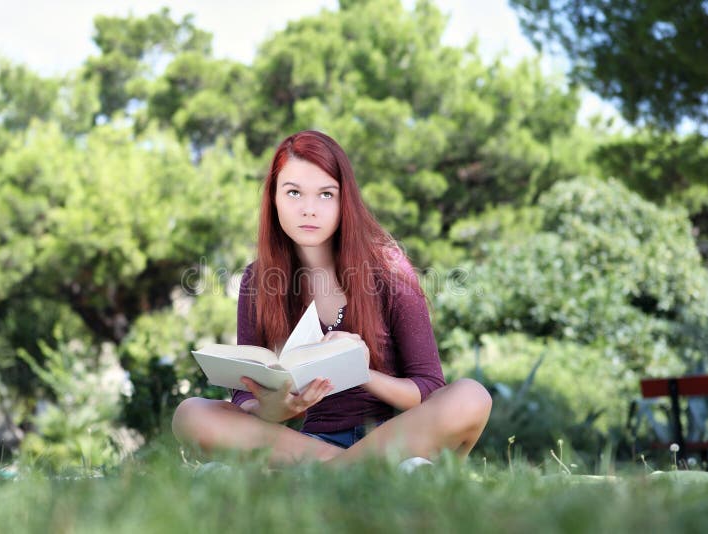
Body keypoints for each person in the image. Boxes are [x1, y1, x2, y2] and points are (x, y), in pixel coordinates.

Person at [172, 130, 491, 465]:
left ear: (344, 202)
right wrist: (275, 408)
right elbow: (242, 400)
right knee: (191, 413)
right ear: (274, 199)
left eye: (326, 195)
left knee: (471, 396)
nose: (309, 210)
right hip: (307, 445)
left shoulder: (389, 269)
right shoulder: (258, 280)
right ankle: (356, 472)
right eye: (294, 192)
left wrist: (360, 370)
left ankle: (328, 475)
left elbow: (428, 389)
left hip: (395, 435)